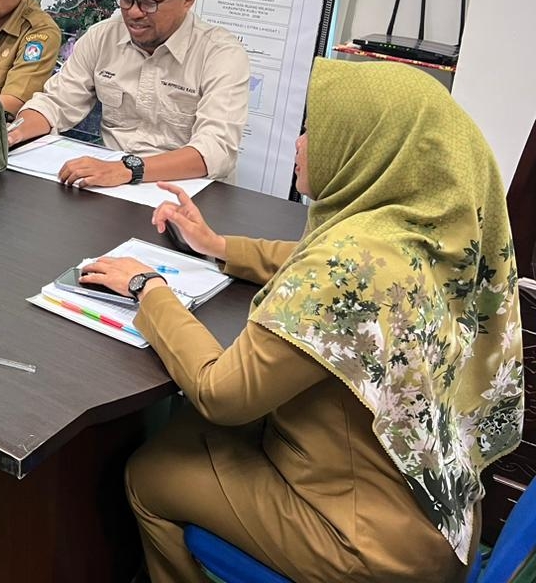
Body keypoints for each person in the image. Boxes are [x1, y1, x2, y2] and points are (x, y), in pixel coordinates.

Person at [78, 59, 523, 582]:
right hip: (439, 521)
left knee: (149, 473)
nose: (300, 141)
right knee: (187, 434)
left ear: (368, 145)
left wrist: (147, 287)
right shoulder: (430, 240)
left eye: (316, 129)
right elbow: (315, 260)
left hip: (367, 551)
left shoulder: (347, 267)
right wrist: (218, 247)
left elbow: (222, 394)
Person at [9, 0, 249, 188]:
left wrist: (128, 169)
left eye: (149, 3)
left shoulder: (221, 54)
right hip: (114, 184)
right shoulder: (104, 36)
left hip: (189, 191)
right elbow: (56, 102)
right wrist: (14, 134)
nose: (134, 12)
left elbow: (216, 150)